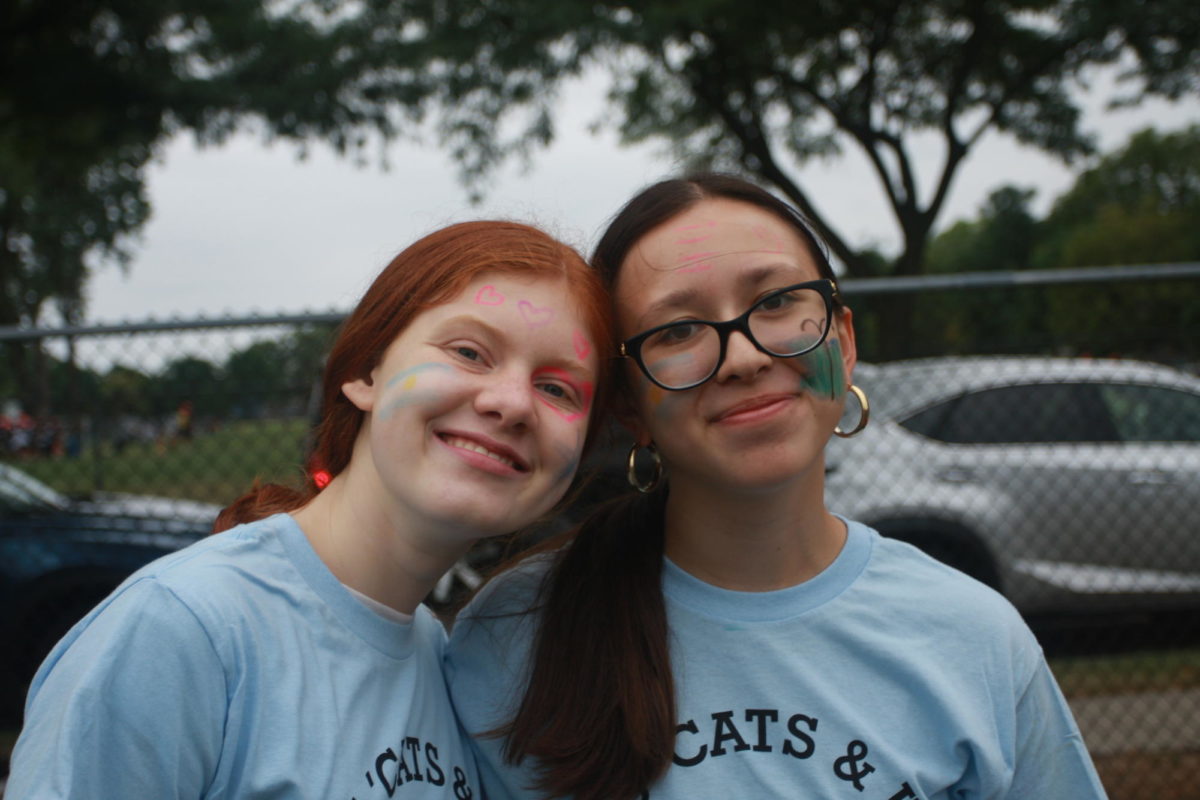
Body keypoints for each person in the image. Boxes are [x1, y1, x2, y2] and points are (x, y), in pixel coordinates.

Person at [445, 176, 1107, 799]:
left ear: (843, 342)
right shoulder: (516, 635)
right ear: (628, 407)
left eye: (777, 301)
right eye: (678, 330)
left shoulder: (975, 637)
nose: (745, 357)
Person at [7, 220, 612, 799]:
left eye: (558, 388)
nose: (511, 403)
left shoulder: (446, 660)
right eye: (470, 352)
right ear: (365, 373)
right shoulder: (181, 631)